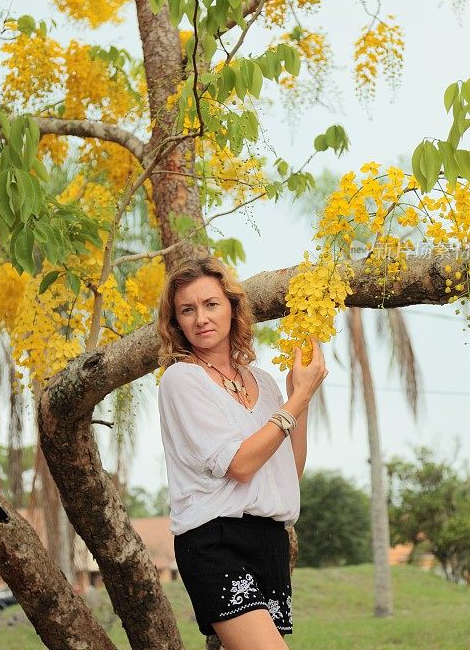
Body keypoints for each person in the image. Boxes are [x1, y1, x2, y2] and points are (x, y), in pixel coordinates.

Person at [157, 256, 327, 650]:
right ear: (176, 323)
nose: (201, 318)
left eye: (211, 304)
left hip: (269, 543)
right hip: (215, 541)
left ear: (233, 308)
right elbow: (240, 465)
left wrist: (299, 398)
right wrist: (296, 399)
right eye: (187, 309)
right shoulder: (182, 380)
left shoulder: (265, 384)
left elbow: (289, 473)